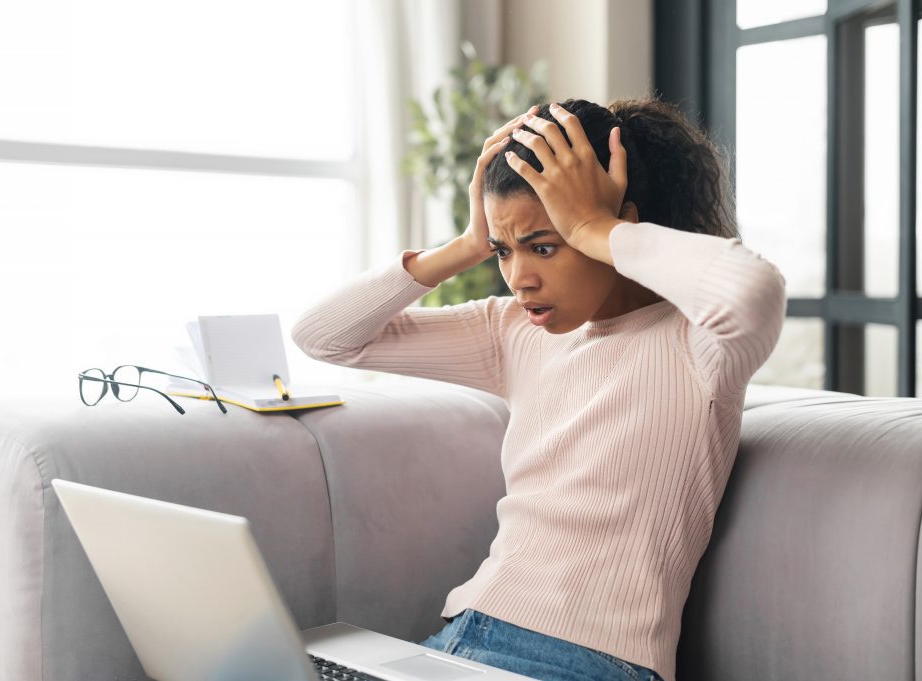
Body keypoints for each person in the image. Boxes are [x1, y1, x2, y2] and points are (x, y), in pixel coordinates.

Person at [291, 97, 787, 681]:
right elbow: (324, 337)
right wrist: (470, 243)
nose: (519, 277)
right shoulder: (513, 333)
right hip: (452, 641)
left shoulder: (700, 345)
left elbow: (752, 291)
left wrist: (593, 228)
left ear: (619, 221)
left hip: (584, 663)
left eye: (545, 246)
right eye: (505, 251)